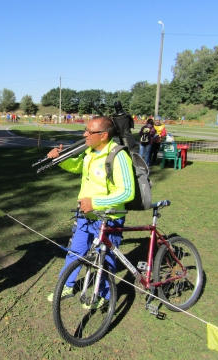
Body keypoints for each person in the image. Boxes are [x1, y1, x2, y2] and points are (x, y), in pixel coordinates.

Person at [45, 116, 135, 308]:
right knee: (75, 252)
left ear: (103, 135)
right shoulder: (90, 152)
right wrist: (59, 160)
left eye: (89, 131)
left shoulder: (118, 156)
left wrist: (96, 202)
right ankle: (67, 286)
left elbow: (127, 192)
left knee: (106, 259)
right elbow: (77, 166)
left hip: (109, 218)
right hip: (85, 216)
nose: (84, 134)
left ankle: (103, 295)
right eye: (85, 130)